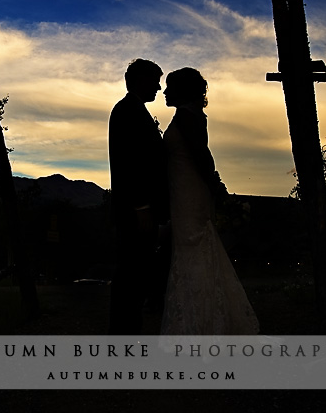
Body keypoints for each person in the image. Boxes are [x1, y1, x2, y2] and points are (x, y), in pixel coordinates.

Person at [160, 68, 259, 335]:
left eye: (170, 88)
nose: (165, 92)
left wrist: (216, 188)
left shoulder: (185, 116)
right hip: (186, 191)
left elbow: (202, 157)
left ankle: (198, 320)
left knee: (193, 247)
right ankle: (203, 315)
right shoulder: (192, 115)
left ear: (182, 91)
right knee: (195, 248)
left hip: (188, 195)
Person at [108, 59, 169, 334]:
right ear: (139, 80)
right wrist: (142, 206)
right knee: (130, 277)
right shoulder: (128, 111)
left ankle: (128, 332)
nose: (158, 87)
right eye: (155, 80)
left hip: (138, 209)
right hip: (135, 211)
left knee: (134, 277)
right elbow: (130, 164)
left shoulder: (133, 110)